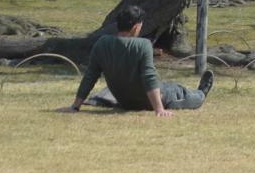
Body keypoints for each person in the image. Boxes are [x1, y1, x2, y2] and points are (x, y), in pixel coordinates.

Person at [68, 6, 213, 115]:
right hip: (151, 100)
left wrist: (75, 106)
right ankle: (201, 92)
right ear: (136, 27)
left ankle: (96, 100)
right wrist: (159, 109)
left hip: (124, 101)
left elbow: (90, 76)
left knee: (166, 85)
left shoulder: (102, 43)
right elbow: (149, 77)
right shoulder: (143, 45)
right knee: (180, 91)